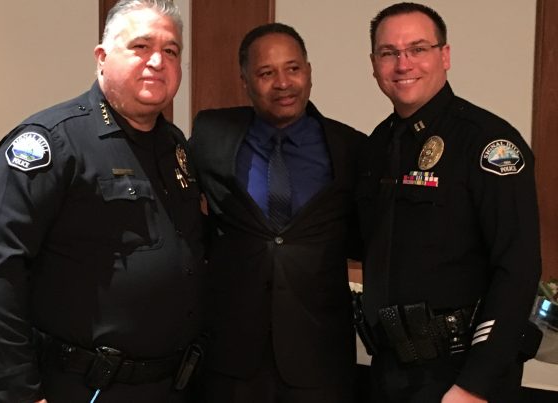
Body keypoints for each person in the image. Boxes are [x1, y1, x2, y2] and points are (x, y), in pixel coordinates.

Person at [0, 1, 206, 402]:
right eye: (140, 46)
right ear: (102, 58)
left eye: (171, 51)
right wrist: (20, 393)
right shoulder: (52, 143)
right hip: (81, 385)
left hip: (169, 385)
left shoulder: (175, 147)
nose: (157, 61)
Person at [357, 2, 542, 402]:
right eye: (389, 53)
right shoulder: (378, 144)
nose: (403, 64)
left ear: (445, 55)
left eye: (418, 49)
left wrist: (475, 384)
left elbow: (518, 269)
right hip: (391, 369)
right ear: (374, 65)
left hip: (461, 374)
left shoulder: (488, 144)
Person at [189, 22, 367, 403]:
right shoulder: (211, 134)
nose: (283, 83)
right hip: (230, 358)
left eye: (293, 68)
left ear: (309, 72)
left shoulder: (352, 148)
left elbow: (366, 236)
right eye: (266, 73)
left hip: (319, 358)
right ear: (246, 81)